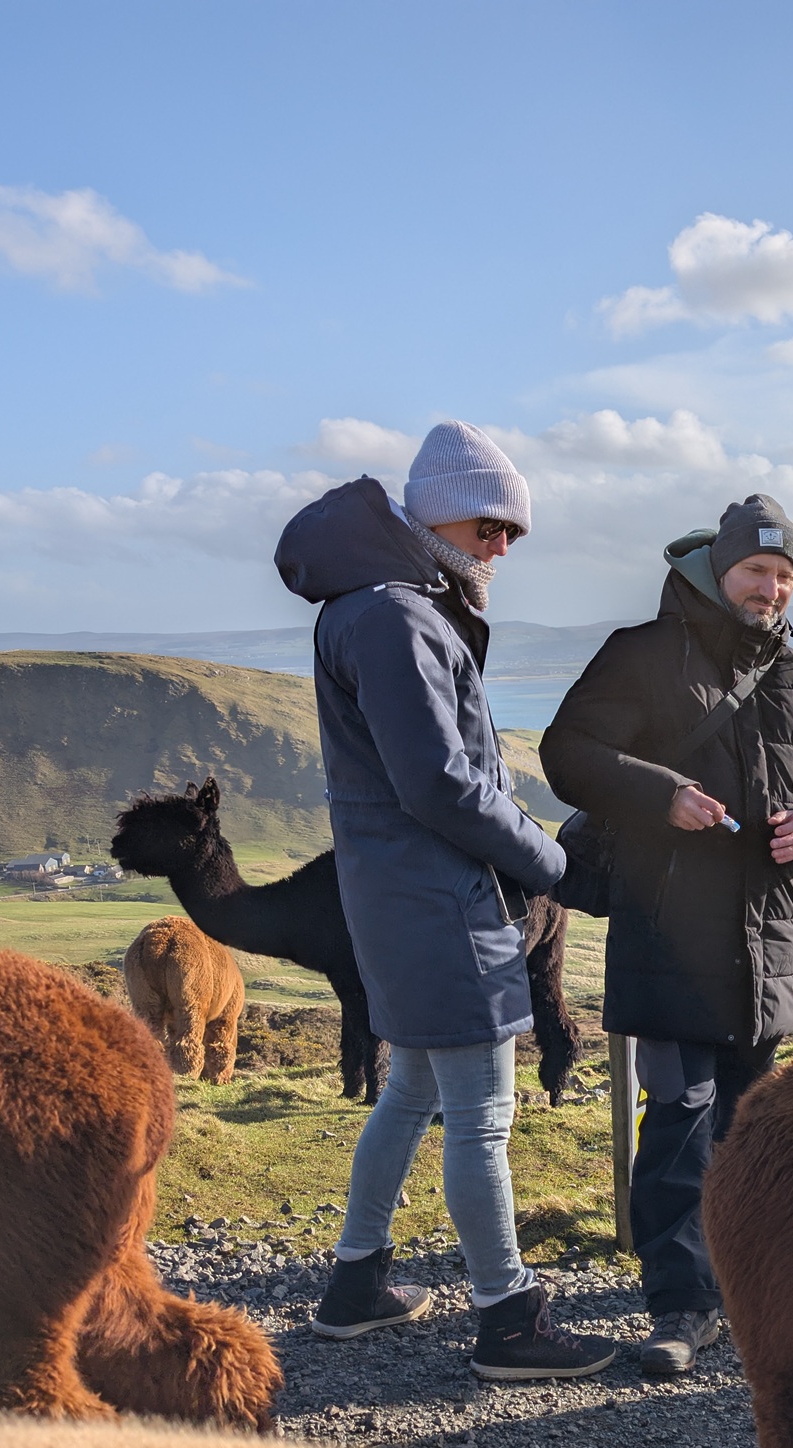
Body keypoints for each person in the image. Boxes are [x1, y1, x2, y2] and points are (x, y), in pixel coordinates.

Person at [275, 422, 616, 1379]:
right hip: (439, 901)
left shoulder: (378, 605)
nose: (504, 545)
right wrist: (555, 866)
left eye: (515, 531)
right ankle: (509, 1319)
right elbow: (445, 786)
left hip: (394, 896)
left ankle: (355, 1286)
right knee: (480, 1112)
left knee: (414, 1087)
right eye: (491, 523)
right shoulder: (397, 617)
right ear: (435, 513)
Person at [541, 494, 793, 1377]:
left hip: (769, 943)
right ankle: (680, 1306)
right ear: (717, 571)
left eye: (784, 575)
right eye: (757, 571)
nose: (771, 587)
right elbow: (567, 751)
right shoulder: (643, 656)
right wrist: (663, 794)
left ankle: (748, 1288)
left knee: (750, 1130)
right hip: (667, 929)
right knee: (680, 1121)